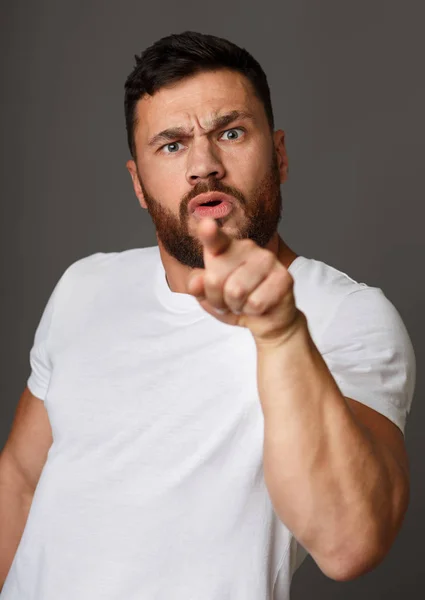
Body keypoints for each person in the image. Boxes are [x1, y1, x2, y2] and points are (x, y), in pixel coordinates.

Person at [0, 31, 416, 600]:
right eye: (171, 145)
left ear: (281, 154)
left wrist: (279, 330)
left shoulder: (347, 315)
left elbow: (351, 544)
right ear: (138, 185)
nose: (204, 165)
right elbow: (19, 481)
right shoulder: (85, 285)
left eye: (231, 132)